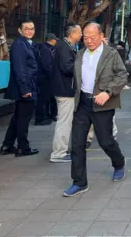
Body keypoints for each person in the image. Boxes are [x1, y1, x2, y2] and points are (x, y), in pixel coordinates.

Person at [64, 23, 128, 197]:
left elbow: (122, 75)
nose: (89, 40)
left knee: (105, 140)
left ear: (101, 36)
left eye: (93, 37)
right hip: (83, 103)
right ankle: (79, 182)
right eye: (86, 37)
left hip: (102, 104)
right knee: (77, 143)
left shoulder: (111, 54)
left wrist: (108, 93)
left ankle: (119, 162)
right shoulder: (80, 54)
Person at [0, 19, 39, 157]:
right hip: (24, 87)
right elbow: (20, 69)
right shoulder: (19, 45)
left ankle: (7, 145)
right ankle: (23, 147)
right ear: (20, 30)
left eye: (32, 28)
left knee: (18, 117)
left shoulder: (28, 44)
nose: (30, 31)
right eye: (26, 28)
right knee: (24, 118)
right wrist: (25, 89)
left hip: (28, 85)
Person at [50, 23, 82, 163]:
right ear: (72, 34)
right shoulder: (64, 47)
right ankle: (58, 153)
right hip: (64, 89)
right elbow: (67, 68)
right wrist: (82, 65)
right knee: (64, 122)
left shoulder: (67, 46)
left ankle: (61, 150)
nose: (81, 35)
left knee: (65, 121)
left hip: (64, 88)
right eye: (79, 32)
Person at [35, 33, 58, 126]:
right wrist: (53, 76)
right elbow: (47, 66)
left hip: (45, 77)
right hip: (44, 78)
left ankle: (47, 115)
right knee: (43, 99)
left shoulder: (46, 48)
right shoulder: (45, 50)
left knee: (47, 98)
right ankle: (40, 118)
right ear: (52, 40)